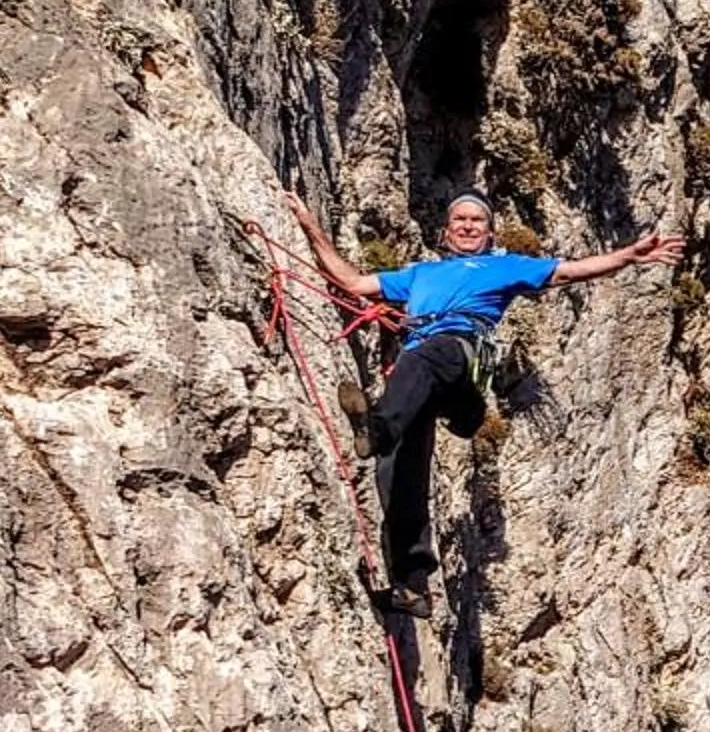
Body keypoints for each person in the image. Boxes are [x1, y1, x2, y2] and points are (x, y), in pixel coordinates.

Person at [285, 188, 684, 614]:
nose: (468, 226)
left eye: (477, 220)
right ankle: (412, 586)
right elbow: (351, 282)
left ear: (490, 233)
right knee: (398, 471)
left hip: (458, 356)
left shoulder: (504, 266)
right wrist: (310, 226)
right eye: (460, 219)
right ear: (445, 231)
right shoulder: (419, 273)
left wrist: (629, 256)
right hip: (420, 376)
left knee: (429, 355)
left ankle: (385, 427)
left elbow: (570, 271)